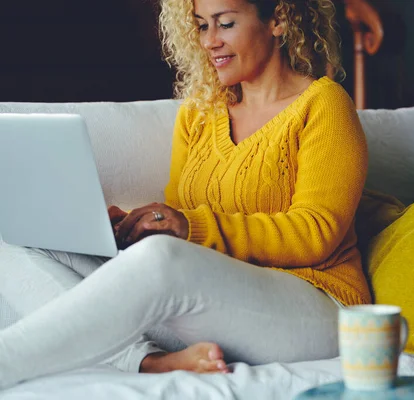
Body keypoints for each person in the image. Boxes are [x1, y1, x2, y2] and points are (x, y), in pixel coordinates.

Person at [0, 0, 371, 389]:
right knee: (19, 240)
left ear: (278, 19)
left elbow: (316, 233)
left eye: (225, 24)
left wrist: (184, 230)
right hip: (214, 305)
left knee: (162, 258)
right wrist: (132, 227)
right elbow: (181, 218)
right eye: (200, 26)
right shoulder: (199, 113)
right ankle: (146, 361)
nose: (210, 42)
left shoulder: (323, 104)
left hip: (320, 308)